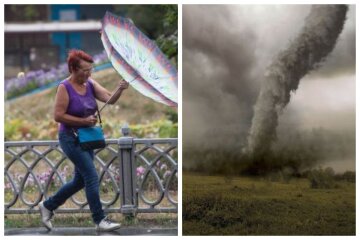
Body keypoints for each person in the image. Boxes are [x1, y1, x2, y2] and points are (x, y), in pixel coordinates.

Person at [38, 49, 129, 232]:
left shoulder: (90, 84)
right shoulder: (64, 87)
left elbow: (109, 100)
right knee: (91, 176)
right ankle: (99, 220)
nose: (89, 73)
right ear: (73, 68)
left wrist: (120, 88)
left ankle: (47, 206)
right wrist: (83, 121)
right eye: (85, 70)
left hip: (86, 139)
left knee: (80, 181)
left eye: (91, 69)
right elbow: (58, 116)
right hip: (70, 138)